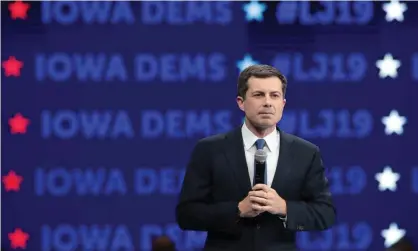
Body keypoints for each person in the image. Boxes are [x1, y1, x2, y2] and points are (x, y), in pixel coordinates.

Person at [175, 64, 336, 251]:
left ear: (283, 104)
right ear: (240, 102)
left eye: (274, 95)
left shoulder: (306, 153)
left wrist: (284, 207)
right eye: (259, 95)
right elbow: (186, 215)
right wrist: (237, 210)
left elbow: (326, 214)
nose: (267, 102)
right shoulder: (210, 149)